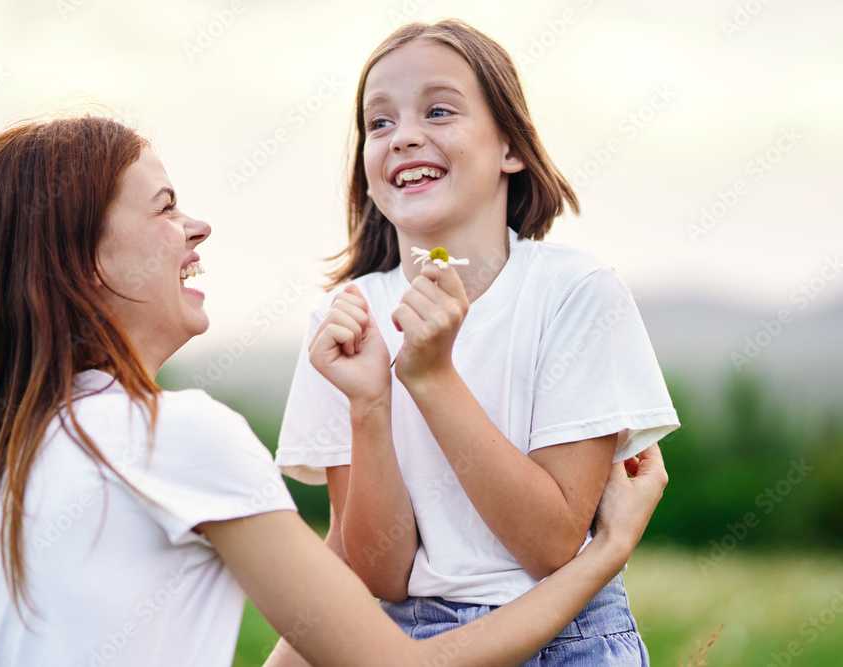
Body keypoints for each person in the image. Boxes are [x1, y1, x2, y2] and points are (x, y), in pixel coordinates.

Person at [0, 113, 667, 667]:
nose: (197, 228)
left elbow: (319, 604)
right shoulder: (176, 437)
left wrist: (370, 407)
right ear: (81, 262)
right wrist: (604, 555)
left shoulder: (8, 450)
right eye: (165, 208)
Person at [275, 19, 680, 664]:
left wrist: (432, 378)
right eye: (378, 124)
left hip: (567, 634)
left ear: (511, 148)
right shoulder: (345, 318)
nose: (403, 136)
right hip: (402, 638)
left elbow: (548, 545)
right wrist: (369, 405)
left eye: (438, 111)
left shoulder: (574, 292)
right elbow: (380, 573)